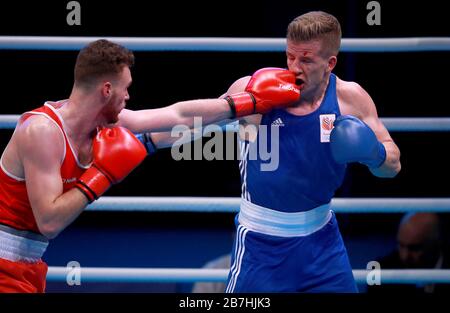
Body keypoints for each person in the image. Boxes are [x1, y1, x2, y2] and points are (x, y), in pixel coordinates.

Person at [0, 39, 301, 292]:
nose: (129, 96)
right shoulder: (42, 132)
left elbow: (178, 117)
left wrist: (241, 104)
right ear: (107, 90)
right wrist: (102, 174)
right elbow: (49, 222)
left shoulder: (99, 124)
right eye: (126, 88)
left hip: (27, 264)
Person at [220, 11, 402, 292]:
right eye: (289, 57)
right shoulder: (254, 91)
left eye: (305, 60)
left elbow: (392, 166)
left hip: (323, 243)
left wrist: (373, 152)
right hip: (262, 244)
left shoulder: (350, 98)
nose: (294, 68)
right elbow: (193, 122)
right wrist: (146, 138)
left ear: (330, 63)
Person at [368, 213, 450, 294]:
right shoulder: (379, 270)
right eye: (401, 245)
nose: (405, 256)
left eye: (414, 248)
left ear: (436, 243)